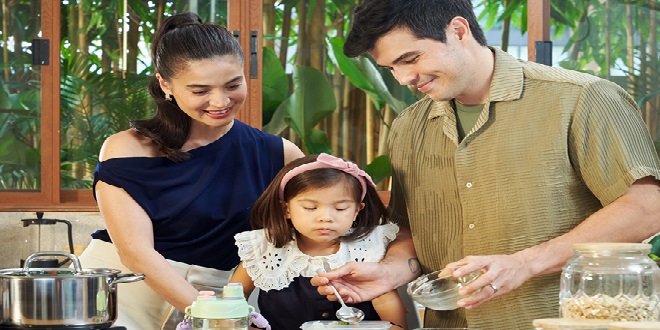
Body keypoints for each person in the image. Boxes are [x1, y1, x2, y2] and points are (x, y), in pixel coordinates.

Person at [311, 0, 660, 329]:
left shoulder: (582, 98)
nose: (403, 79)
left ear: (459, 30)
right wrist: (389, 272)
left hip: (555, 320)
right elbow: (410, 230)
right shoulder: (409, 127)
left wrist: (526, 263)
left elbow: (647, 208)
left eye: (411, 59)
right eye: (391, 68)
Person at [78, 12, 304, 329]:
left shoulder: (279, 154)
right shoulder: (126, 149)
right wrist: (218, 317)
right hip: (120, 298)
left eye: (233, 84)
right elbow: (135, 253)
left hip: (221, 298)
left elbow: (303, 233)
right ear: (165, 84)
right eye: (200, 91)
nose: (220, 101)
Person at [229, 153, 408, 329]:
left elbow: (386, 301)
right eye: (310, 208)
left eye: (340, 208)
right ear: (286, 209)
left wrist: (396, 327)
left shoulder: (367, 248)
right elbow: (236, 293)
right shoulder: (265, 248)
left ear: (357, 211)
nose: (325, 217)